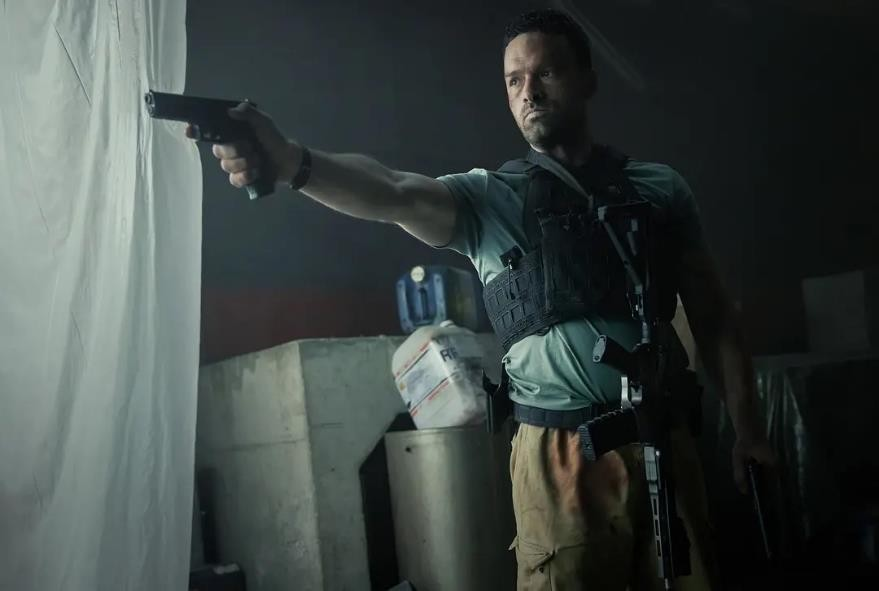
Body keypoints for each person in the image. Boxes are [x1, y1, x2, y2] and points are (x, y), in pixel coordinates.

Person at [194, 7, 775, 590]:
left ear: (587, 79)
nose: (530, 93)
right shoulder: (490, 199)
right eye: (514, 80)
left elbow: (715, 319)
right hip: (558, 456)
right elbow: (392, 190)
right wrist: (293, 162)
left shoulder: (658, 188)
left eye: (547, 73)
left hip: (665, 440)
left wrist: (749, 432)